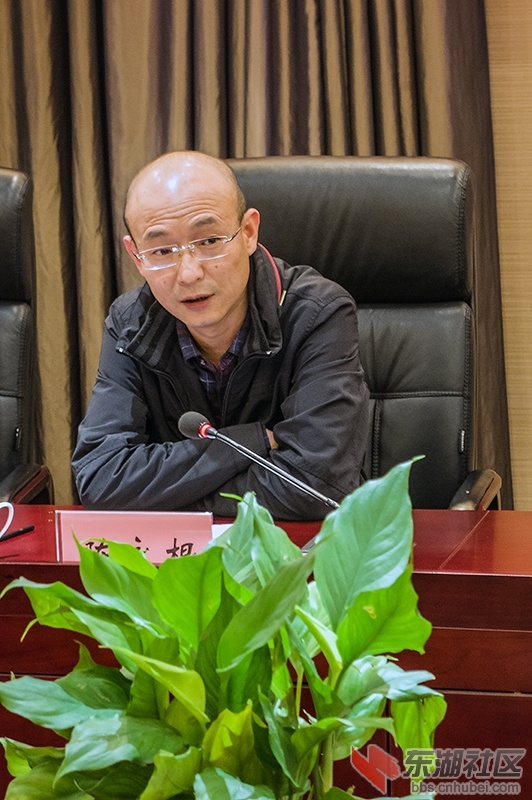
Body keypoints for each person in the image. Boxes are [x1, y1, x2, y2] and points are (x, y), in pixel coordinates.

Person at [72, 151, 369, 520]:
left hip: (296, 549)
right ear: (137, 257)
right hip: (179, 553)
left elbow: (315, 486)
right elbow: (100, 478)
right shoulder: (129, 322)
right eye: (162, 250)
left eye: (209, 241)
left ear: (248, 233)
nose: (189, 273)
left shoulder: (318, 313)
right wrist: (253, 441)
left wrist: (166, 496)